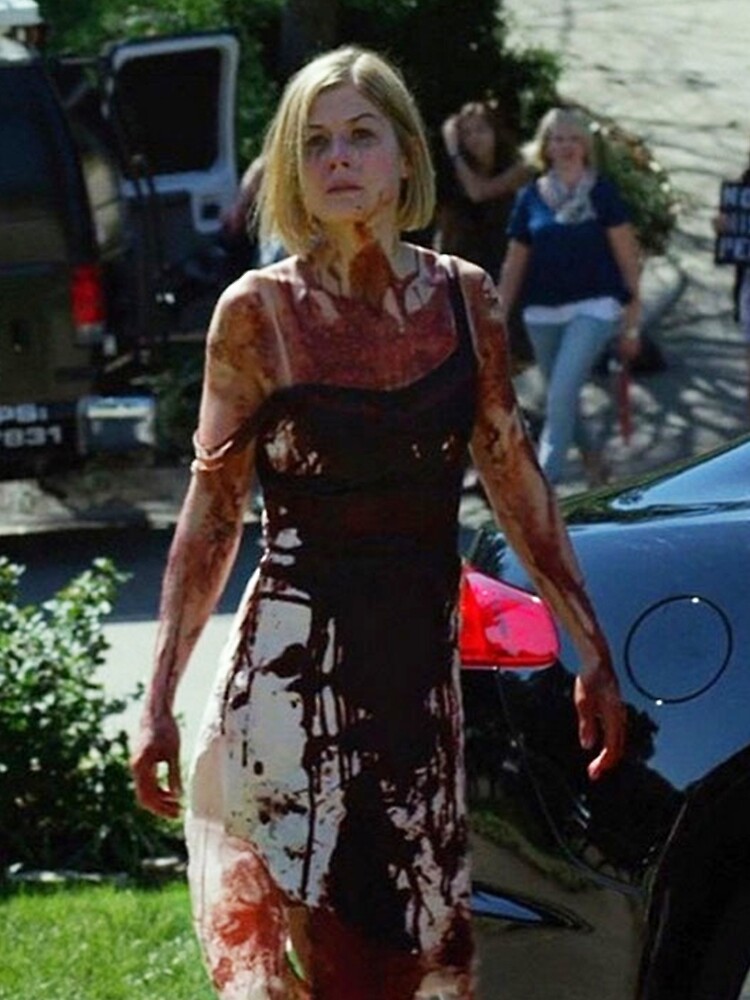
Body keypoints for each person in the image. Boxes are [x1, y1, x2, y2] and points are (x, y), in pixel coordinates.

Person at [130, 48, 626, 1000]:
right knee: (324, 963)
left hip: (416, 690)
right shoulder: (260, 313)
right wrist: (158, 698)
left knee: (415, 964)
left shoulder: (465, 300)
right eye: (314, 143)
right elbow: (212, 512)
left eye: (361, 136)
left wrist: (590, 648)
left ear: (405, 156)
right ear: (292, 169)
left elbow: (514, 475)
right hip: (290, 684)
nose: (338, 159)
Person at [498, 106, 642, 487]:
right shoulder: (530, 197)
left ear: (586, 146)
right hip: (542, 314)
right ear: (545, 146)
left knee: (560, 393)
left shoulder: (601, 193)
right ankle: (596, 464)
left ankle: (542, 488)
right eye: (557, 138)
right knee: (564, 398)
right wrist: (495, 316)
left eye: (573, 138)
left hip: (595, 308)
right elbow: (515, 264)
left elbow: (628, 259)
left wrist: (632, 324)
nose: (565, 146)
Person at [435, 100, 533, 366]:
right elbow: (446, 224)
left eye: (481, 129)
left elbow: (479, 192)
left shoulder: (519, 167)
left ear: (495, 131)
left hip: (508, 260)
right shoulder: (455, 175)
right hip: (468, 260)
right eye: (466, 133)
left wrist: (453, 150)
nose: (474, 138)